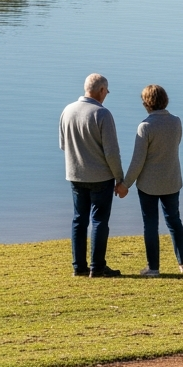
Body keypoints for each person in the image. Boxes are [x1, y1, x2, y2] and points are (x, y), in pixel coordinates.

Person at [119, 84, 183, 276]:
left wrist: (125, 184)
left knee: (150, 224)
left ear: (146, 103)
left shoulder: (145, 127)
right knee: (174, 221)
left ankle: (153, 267)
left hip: (148, 185)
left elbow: (137, 161)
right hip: (171, 180)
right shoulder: (176, 122)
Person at [60, 73, 125, 278]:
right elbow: (112, 152)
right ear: (101, 90)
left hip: (75, 175)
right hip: (100, 177)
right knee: (99, 221)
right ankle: (97, 267)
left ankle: (79, 267)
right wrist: (120, 178)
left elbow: (63, 145)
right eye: (106, 91)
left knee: (79, 220)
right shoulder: (102, 114)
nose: (106, 95)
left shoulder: (67, 110)